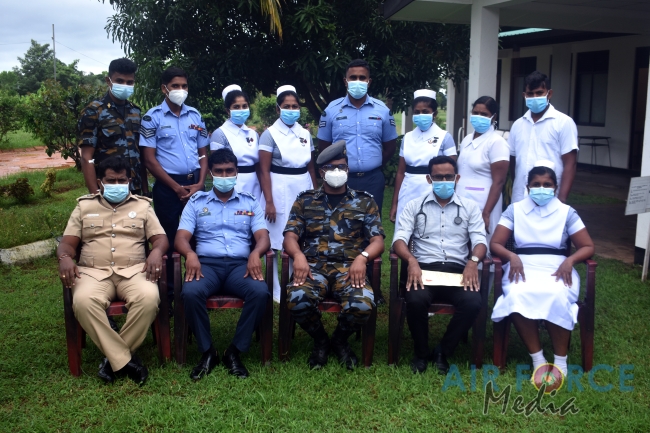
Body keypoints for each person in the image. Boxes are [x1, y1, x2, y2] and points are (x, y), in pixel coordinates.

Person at [56, 157, 168, 385]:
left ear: (129, 180)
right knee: (84, 302)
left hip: (134, 271)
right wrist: (65, 258)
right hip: (92, 273)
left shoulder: (143, 206)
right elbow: (67, 243)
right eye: (111, 180)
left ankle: (112, 360)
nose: (117, 184)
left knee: (149, 299)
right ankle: (126, 361)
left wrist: (156, 252)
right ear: (100, 182)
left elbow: (160, 239)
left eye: (122, 180)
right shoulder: (84, 206)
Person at [283, 140, 385, 370]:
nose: (337, 171)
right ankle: (320, 340)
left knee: (362, 304)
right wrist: (298, 255)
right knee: (297, 298)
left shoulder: (364, 201)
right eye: (331, 167)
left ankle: (339, 340)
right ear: (321, 172)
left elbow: (378, 240)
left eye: (342, 167)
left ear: (348, 169)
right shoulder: (305, 200)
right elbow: (290, 236)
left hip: (350, 269)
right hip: (312, 267)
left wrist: (363, 257)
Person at [490, 161, 595, 377]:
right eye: (536, 184)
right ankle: (538, 359)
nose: (541, 188)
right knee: (516, 295)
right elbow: (496, 243)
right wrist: (511, 256)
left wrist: (570, 260)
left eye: (547, 184)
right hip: (522, 266)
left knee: (556, 294)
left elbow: (587, 246)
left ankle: (560, 362)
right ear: (527, 187)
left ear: (555, 187)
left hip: (557, 267)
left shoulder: (566, 212)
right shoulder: (515, 210)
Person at [175, 149, 271, 380]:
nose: (224, 176)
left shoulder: (249, 202)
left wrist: (256, 252)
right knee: (191, 292)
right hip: (206, 266)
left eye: (229, 171)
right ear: (210, 173)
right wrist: (190, 254)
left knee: (260, 292)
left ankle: (234, 351)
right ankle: (208, 351)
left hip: (240, 267)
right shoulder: (196, 202)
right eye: (219, 171)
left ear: (237, 172)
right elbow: (180, 238)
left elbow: (263, 237)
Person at [393, 156, 487, 375]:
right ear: (429, 179)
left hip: (457, 271)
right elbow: (399, 240)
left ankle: (443, 351)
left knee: (473, 302)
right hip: (423, 269)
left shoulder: (470, 207)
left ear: (457, 178)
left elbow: (480, 241)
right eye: (438, 177)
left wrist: (473, 261)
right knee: (416, 299)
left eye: (448, 177)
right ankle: (421, 353)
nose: (444, 181)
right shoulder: (414, 206)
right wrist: (411, 261)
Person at [139, 66, 209, 302]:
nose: (181, 90)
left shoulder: (195, 116)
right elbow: (149, 159)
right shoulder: (152, 118)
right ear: (164, 88)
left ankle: (199, 288)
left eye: (184, 86)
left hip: (195, 184)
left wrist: (200, 183)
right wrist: (175, 188)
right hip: (168, 187)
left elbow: (203, 152)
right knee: (167, 238)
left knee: (200, 236)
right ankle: (169, 292)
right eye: (175, 86)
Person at [258, 85, 317, 302]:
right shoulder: (269, 135)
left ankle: (295, 280)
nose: (291, 110)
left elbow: (311, 167)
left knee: (298, 235)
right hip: (278, 187)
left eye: (295, 106)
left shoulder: (305, 134)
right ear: (278, 109)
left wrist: (315, 193)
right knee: (275, 238)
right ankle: (274, 287)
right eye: (286, 106)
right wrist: (269, 201)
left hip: (302, 185)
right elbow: (264, 170)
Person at [317, 58, 398, 213]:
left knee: (372, 223)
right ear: (345, 81)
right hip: (340, 178)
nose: (358, 81)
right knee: (339, 222)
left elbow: (390, 148)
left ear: (369, 81)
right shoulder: (331, 110)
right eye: (353, 77)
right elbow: (324, 147)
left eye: (362, 78)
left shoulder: (382, 110)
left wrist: (372, 164)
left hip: (372, 180)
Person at [389, 89, 457, 227]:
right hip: (408, 190)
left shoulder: (444, 137)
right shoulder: (407, 137)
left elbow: (452, 171)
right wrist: (395, 203)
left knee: (430, 228)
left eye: (425, 111)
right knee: (406, 228)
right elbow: (401, 172)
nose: (421, 115)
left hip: (433, 189)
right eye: (417, 112)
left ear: (434, 114)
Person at [77, 58, 144, 195]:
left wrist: (145, 189)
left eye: (129, 82)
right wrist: (95, 195)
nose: (125, 85)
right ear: (108, 81)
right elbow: (86, 157)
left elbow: (140, 154)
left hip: (134, 187)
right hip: (108, 188)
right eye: (120, 81)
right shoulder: (94, 111)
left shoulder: (135, 111)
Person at [509, 71, 578, 204]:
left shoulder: (564, 123)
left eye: (539, 93)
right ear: (524, 95)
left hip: (551, 197)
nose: (534, 97)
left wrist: (561, 199)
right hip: (520, 198)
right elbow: (513, 161)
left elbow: (570, 163)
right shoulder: (517, 125)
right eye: (530, 94)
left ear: (549, 94)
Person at [456, 96, 509, 256]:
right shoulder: (467, 140)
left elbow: (499, 181)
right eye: (475, 113)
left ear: (494, 117)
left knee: (481, 246)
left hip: (485, 204)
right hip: (461, 201)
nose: (478, 117)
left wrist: (486, 212)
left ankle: (483, 274)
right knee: (461, 245)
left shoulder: (497, 142)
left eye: (484, 114)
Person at [210, 84, 262, 199]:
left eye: (244, 106)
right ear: (228, 110)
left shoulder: (253, 134)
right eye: (236, 107)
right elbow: (216, 166)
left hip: (254, 184)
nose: (241, 110)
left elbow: (258, 165)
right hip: (232, 183)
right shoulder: (219, 134)